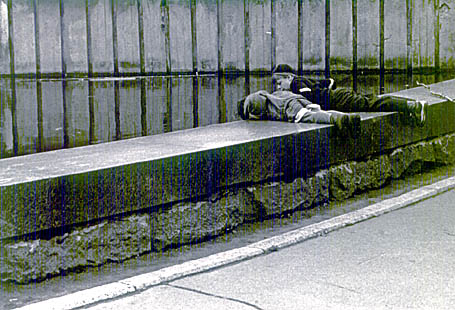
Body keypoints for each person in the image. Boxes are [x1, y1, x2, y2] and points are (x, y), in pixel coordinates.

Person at [272, 64, 427, 126]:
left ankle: (412, 105)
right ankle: (410, 104)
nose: (279, 87)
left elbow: (309, 97)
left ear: (289, 77)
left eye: (280, 82)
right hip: (339, 95)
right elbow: (329, 82)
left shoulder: (296, 84)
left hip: (339, 100)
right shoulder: (303, 80)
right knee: (371, 100)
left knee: (371, 104)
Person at [237, 89, 361, 137]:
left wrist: (255, 116)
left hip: (289, 107)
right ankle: (345, 117)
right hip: (295, 98)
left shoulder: (250, 100)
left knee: (309, 116)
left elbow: (257, 106)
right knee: (320, 111)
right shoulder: (268, 94)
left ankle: (336, 120)